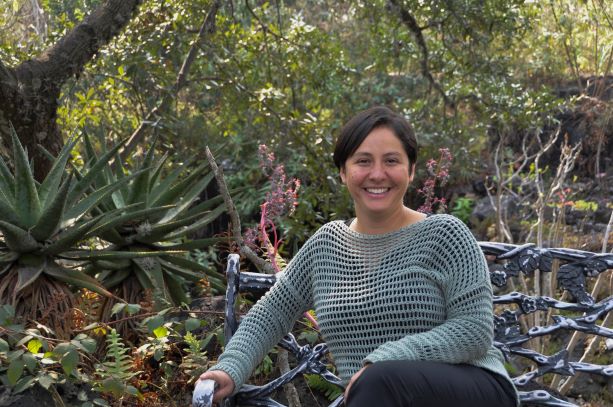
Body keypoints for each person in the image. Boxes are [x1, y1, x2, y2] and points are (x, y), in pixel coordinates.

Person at [197, 106, 519, 406]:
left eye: (391, 161)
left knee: (381, 380)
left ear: (411, 170)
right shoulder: (326, 245)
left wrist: (384, 359)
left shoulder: (445, 234)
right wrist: (230, 369)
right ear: (343, 171)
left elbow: (473, 330)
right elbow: (272, 313)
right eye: (363, 161)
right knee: (379, 384)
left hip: (472, 389)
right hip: (376, 397)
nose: (377, 174)